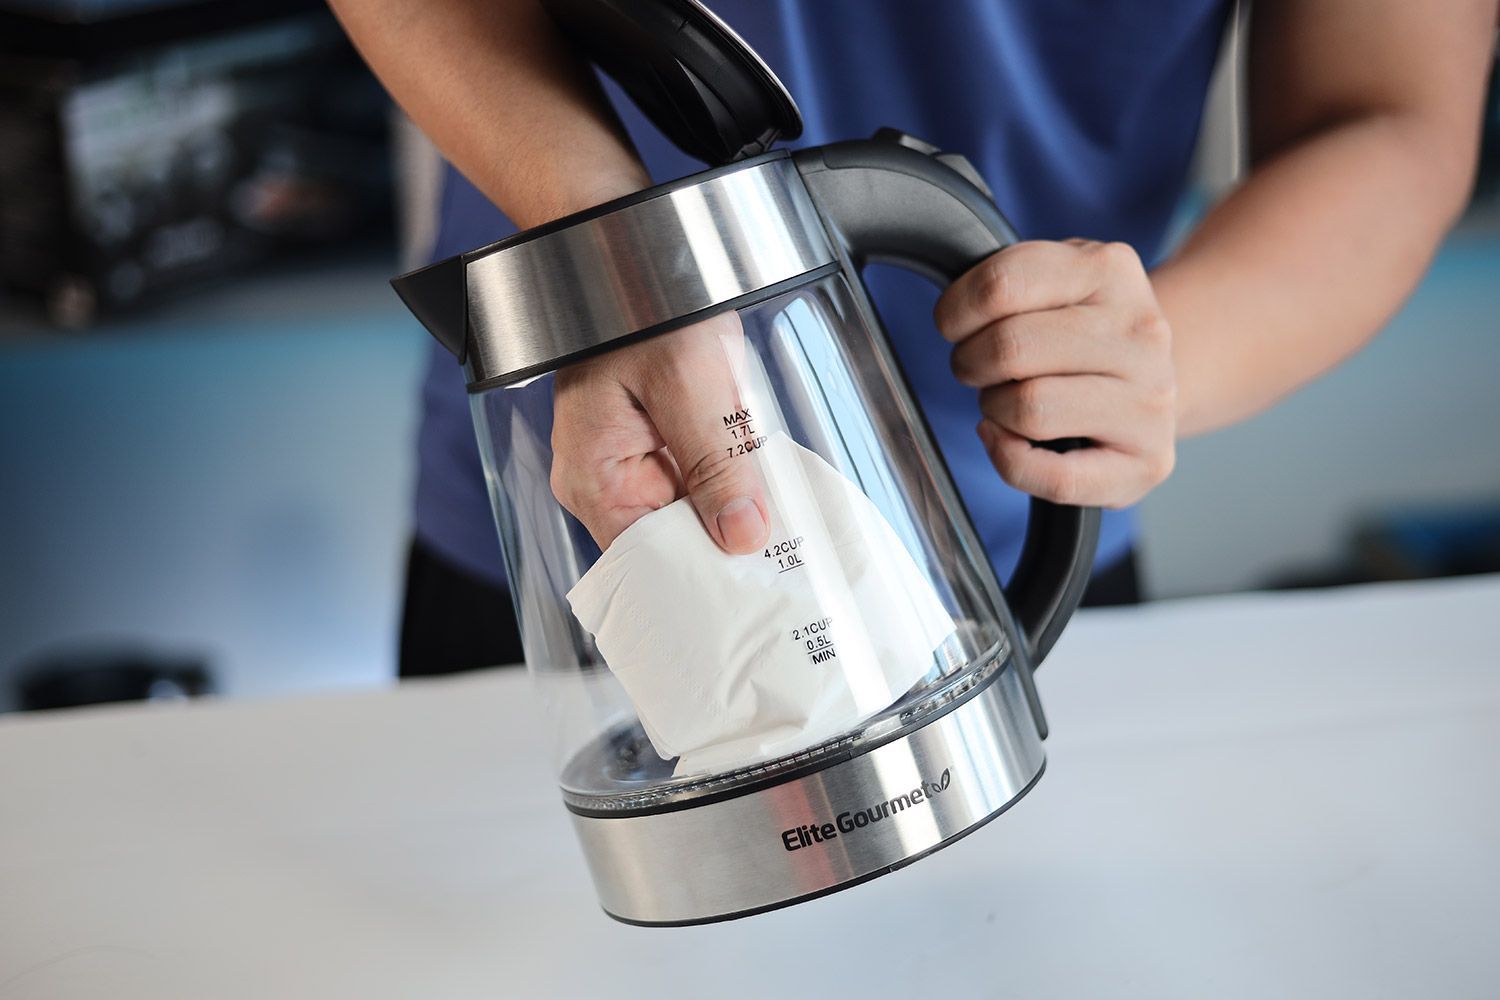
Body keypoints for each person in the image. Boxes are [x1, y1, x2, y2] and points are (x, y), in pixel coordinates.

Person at [327, 0, 1497, 675]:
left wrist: (1156, 360)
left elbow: (1388, 110)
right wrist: (622, 251)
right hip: (584, 538)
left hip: (1029, 531)